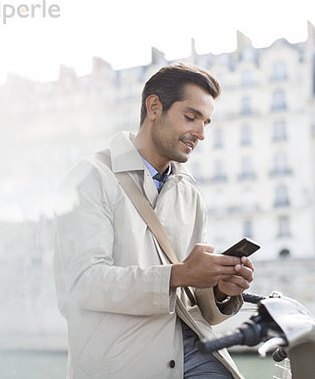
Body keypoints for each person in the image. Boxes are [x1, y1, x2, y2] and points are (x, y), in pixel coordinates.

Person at [53, 63, 254, 379]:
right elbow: (82, 285)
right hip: (122, 359)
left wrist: (220, 290)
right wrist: (180, 274)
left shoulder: (190, 192)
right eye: (191, 117)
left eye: (206, 123)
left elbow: (193, 300)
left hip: (191, 350)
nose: (201, 134)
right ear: (154, 107)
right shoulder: (90, 178)